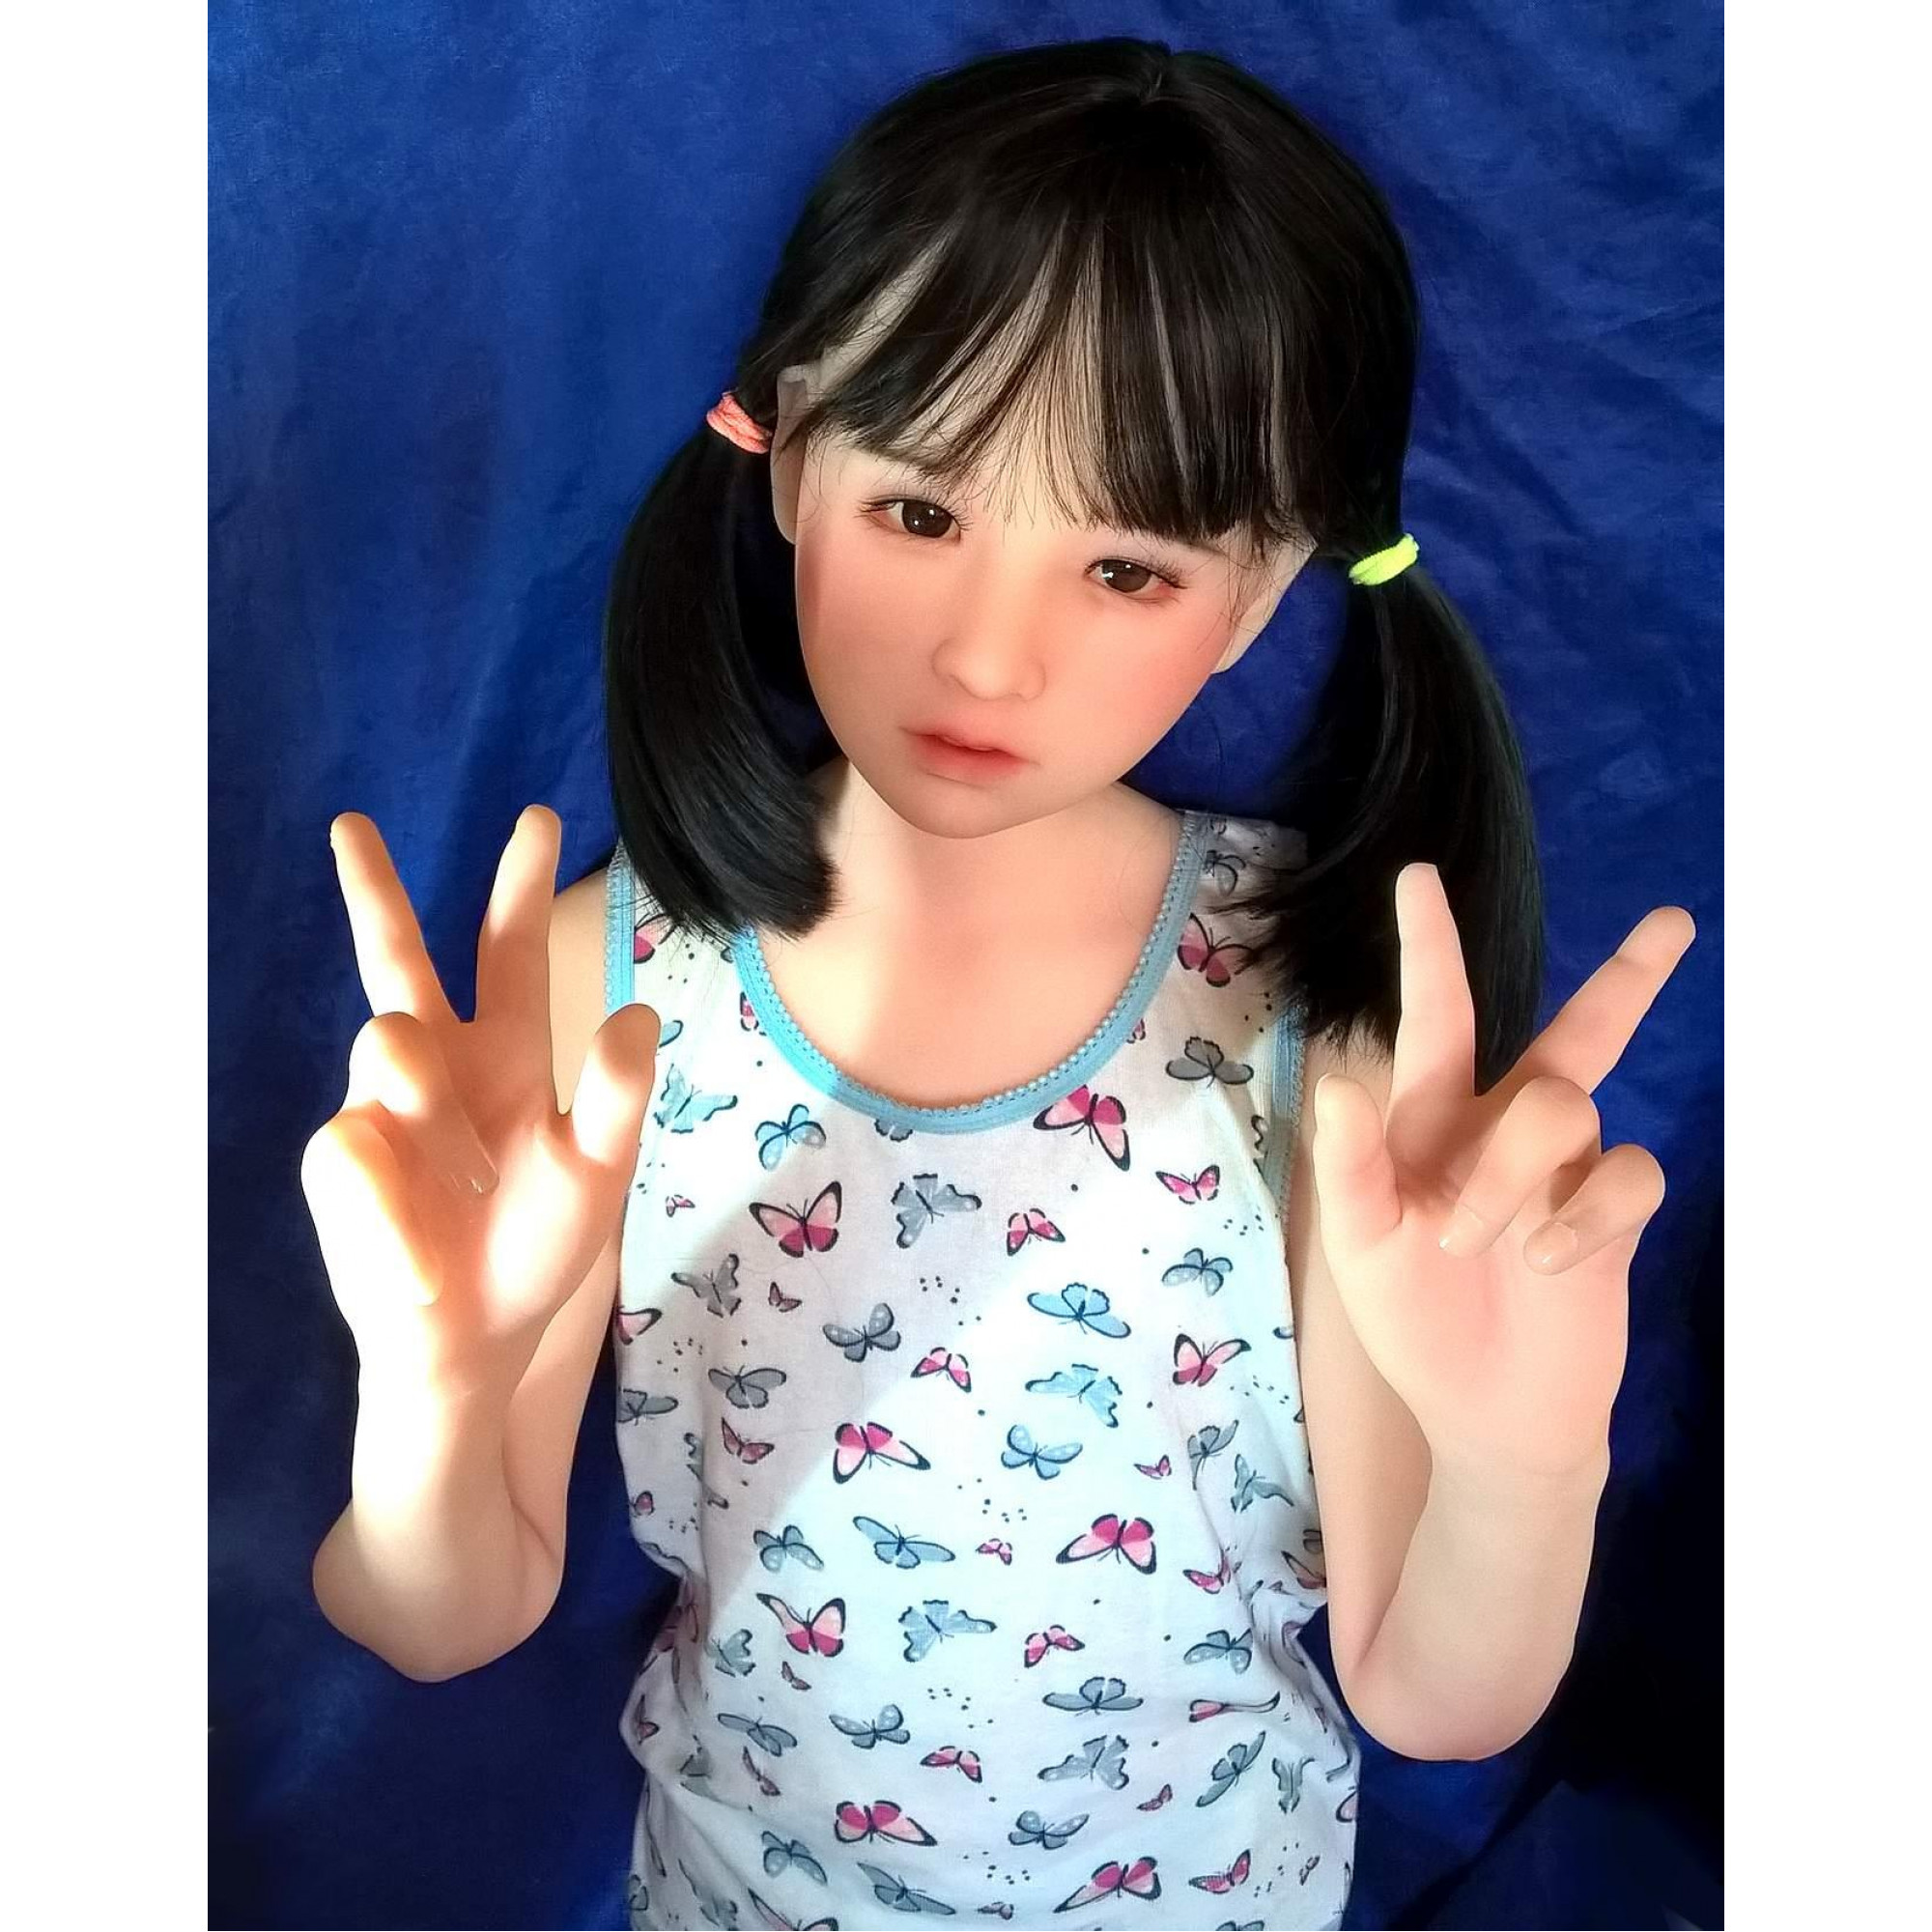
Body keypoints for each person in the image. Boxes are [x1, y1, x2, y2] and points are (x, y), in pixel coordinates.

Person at [303, 37, 1694, 1932]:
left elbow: (1430, 1691)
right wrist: (431, 1391)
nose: (987, 656)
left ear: (1262, 588)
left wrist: (1525, 1463)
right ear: (790, 453)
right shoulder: (588, 988)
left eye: (1124, 570)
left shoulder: (1322, 1009)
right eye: (920, 510)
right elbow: (441, 1614)